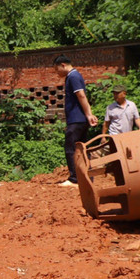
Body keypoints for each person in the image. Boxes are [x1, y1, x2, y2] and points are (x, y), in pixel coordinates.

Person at [54, 55, 97, 186]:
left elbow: (81, 95)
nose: (57, 73)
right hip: (79, 119)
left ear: (63, 65)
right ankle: (87, 177)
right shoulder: (73, 76)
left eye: (56, 69)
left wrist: (89, 114)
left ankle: (75, 179)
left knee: (71, 148)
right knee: (82, 148)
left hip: (76, 119)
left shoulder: (73, 76)